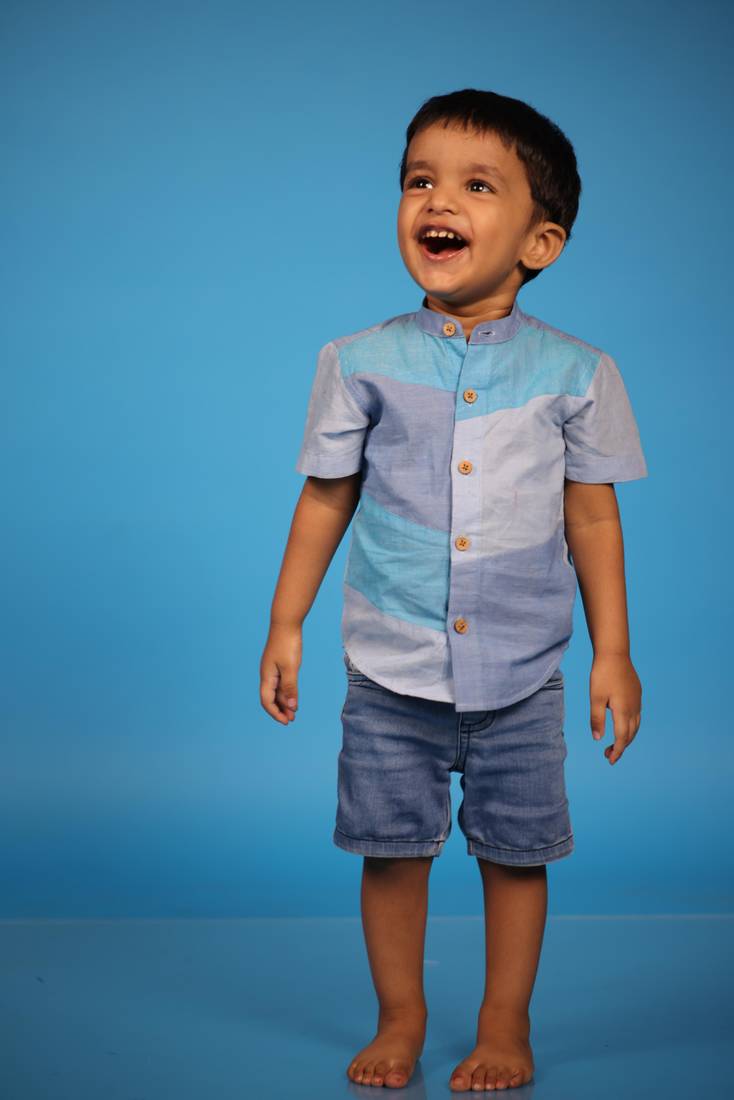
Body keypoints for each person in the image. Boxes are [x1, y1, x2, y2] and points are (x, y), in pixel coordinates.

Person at [260, 88, 648, 1092]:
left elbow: (593, 519)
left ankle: (503, 1023)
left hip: (522, 673)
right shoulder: (358, 362)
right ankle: (400, 1016)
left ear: (540, 241)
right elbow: (325, 497)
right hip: (392, 666)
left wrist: (611, 651)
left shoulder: (577, 374)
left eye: (478, 186)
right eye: (418, 181)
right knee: (391, 849)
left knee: (517, 853)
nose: (437, 201)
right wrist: (285, 622)